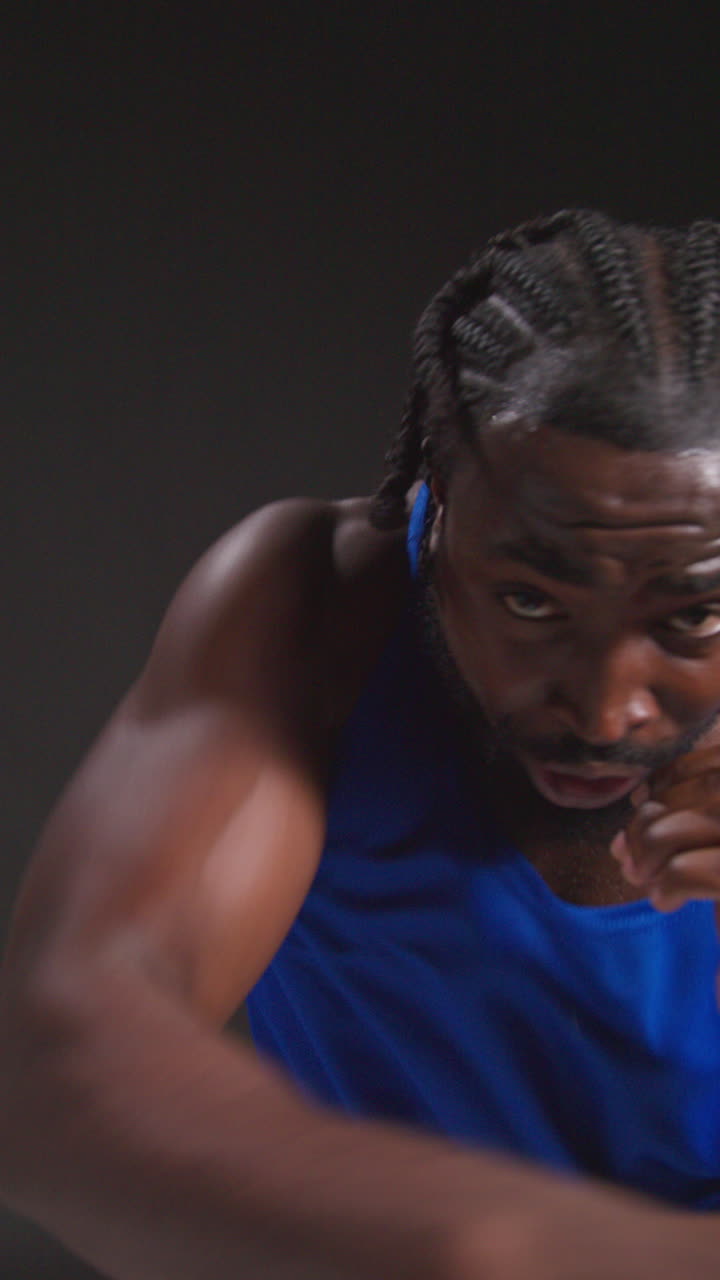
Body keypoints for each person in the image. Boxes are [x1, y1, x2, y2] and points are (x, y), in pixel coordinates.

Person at [3, 208, 720, 1280]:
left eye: (692, 618)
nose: (605, 709)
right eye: (528, 600)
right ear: (437, 516)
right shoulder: (325, 614)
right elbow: (56, 1068)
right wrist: (515, 1253)